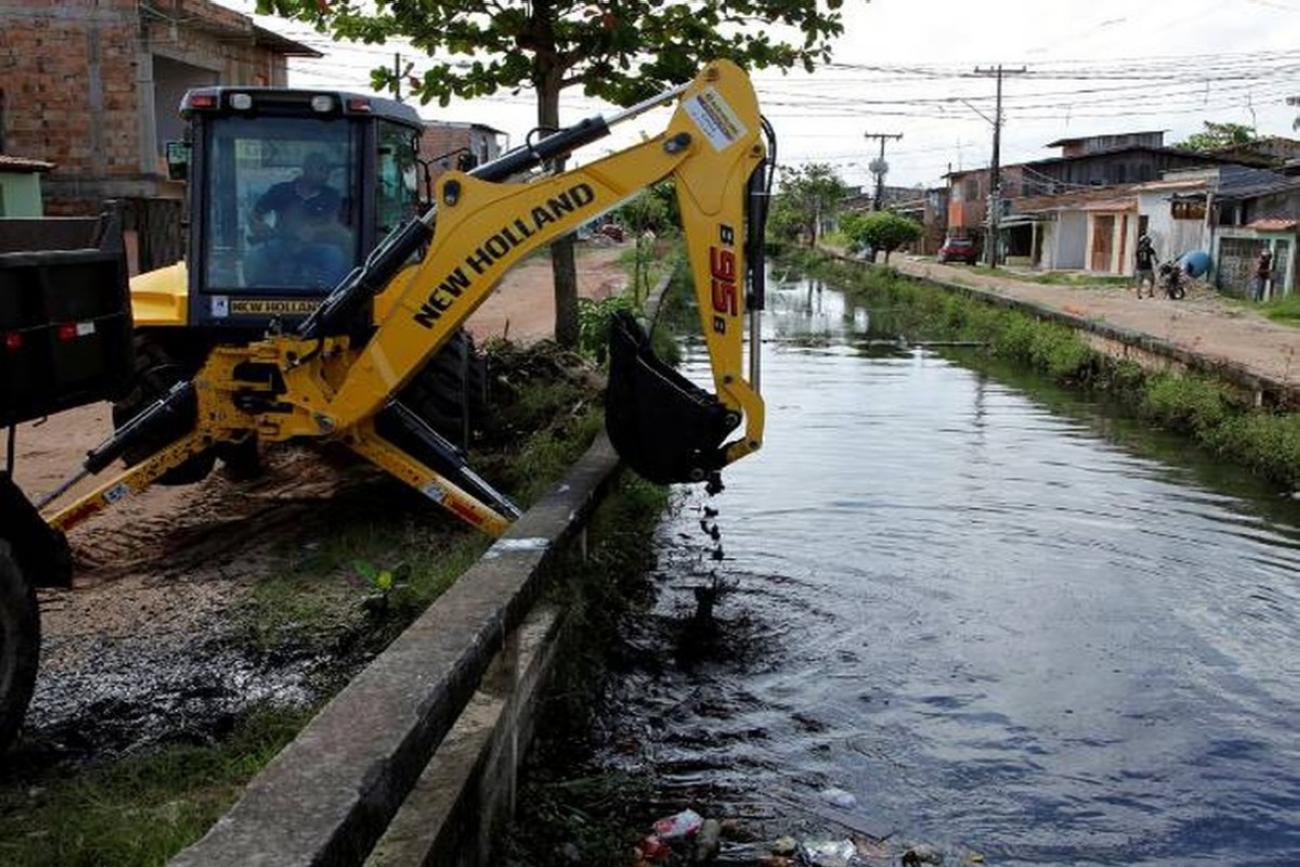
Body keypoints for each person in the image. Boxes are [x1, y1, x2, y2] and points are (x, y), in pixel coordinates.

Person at [246, 152, 351, 288]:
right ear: (306, 169)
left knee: (335, 255)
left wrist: (315, 231)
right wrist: (259, 226)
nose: (325, 176)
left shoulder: (331, 195)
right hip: (281, 242)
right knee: (255, 255)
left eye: (327, 171)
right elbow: (254, 214)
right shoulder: (281, 190)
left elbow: (336, 225)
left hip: (316, 246)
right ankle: (254, 294)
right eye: (321, 170)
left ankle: (326, 294)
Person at [1134, 235, 1158, 299]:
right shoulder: (1149, 249)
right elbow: (1154, 256)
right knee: (1152, 280)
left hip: (1139, 268)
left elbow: (1136, 257)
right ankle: (1150, 293)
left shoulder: (1138, 249)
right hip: (1148, 268)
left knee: (1139, 282)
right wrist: (1156, 261)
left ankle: (1138, 294)